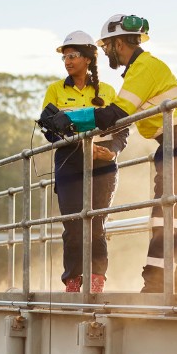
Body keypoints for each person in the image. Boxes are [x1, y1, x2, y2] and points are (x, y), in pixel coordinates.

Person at [91, 14, 177, 293]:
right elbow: (126, 118)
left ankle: (157, 284)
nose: (106, 52)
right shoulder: (142, 69)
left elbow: (117, 114)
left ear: (119, 43)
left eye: (106, 46)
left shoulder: (143, 67)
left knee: (169, 210)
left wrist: (75, 121)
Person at [37, 30, 127, 293]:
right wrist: (70, 138)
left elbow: (123, 128)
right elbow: (47, 129)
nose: (67, 61)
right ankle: (73, 280)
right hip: (69, 163)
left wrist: (112, 149)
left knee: (97, 224)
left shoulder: (108, 91)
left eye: (73, 55)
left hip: (103, 163)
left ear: (88, 58)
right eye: (64, 57)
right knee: (74, 224)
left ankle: (97, 278)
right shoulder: (55, 90)